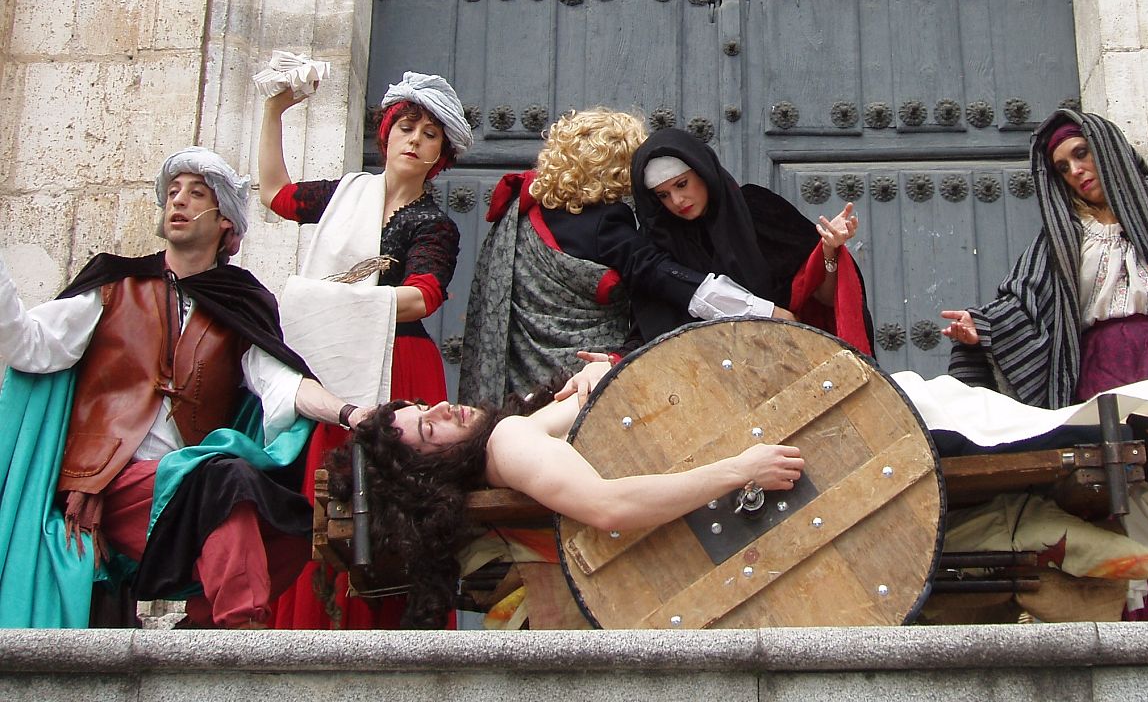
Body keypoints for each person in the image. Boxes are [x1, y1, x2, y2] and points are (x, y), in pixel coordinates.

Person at [0, 147, 369, 628]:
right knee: (221, 481)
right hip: (107, 486)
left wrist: (350, 413)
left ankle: (219, 629)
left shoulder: (240, 307)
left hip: (182, 490)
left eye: (198, 194)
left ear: (226, 227)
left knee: (271, 513)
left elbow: (285, 385)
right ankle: (238, 628)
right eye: (173, 192)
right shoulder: (113, 285)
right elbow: (30, 345)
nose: (179, 201)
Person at [940, 109, 1148, 620]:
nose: (1076, 169)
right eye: (1061, 166)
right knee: (1121, 496)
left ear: (1108, 148)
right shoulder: (1060, 237)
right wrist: (981, 330)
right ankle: (1138, 614)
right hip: (1099, 378)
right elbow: (1023, 306)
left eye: (1082, 153)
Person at [327, 364, 803, 628]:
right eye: (431, 427)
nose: (445, 408)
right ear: (435, 467)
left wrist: (600, 372)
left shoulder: (508, 437)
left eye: (425, 408)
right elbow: (607, 507)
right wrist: (741, 469)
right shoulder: (506, 443)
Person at [257, 70, 470, 629]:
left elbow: (423, 297)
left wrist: (322, 301)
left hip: (402, 371)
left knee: (395, 504)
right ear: (387, 133)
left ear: (439, 156)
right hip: (334, 365)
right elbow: (276, 194)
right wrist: (275, 111)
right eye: (407, 126)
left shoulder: (435, 225)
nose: (416, 139)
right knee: (328, 498)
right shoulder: (344, 195)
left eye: (430, 135)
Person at [460, 108, 692, 405]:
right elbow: (656, 273)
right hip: (589, 378)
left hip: (520, 378)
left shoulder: (522, 213)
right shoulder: (607, 222)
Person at [628, 129, 873, 355]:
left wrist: (829, 251)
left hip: (787, 358)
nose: (677, 200)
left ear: (703, 172)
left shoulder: (757, 209)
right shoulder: (659, 242)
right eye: (663, 195)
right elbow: (651, 325)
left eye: (682, 184)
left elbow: (822, 300)